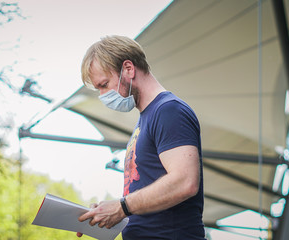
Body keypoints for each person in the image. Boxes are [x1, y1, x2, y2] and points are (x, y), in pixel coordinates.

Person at [77, 35, 205, 239]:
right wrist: (108, 211)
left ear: (128, 69)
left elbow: (185, 182)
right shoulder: (146, 118)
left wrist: (121, 207)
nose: (102, 95)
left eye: (104, 84)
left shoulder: (169, 110)